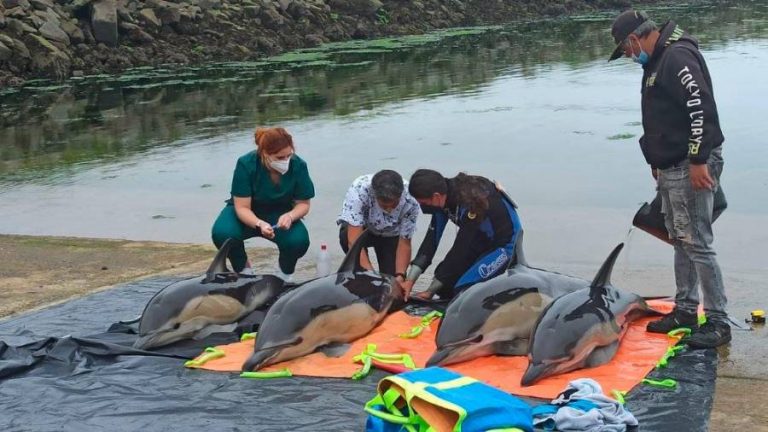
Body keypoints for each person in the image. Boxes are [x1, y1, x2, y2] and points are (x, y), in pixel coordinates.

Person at [608, 10, 730, 348]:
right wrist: (656, 160)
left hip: (691, 163)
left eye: (626, 49)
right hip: (671, 165)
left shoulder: (677, 57)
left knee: (697, 241)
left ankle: (718, 321)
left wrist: (698, 159)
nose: (628, 56)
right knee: (680, 238)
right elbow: (663, 115)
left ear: (634, 39)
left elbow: (700, 107)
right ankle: (686, 309)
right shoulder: (657, 60)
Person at [211, 127, 315, 281]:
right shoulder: (246, 164)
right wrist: (259, 223)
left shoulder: (298, 165)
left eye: (289, 155)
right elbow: (242, 207)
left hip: (279, 213)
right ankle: (243, 269)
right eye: (280, 157)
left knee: (298, 241)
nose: (286, 161)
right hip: (245, 212)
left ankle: (284, 273)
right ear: (265, 154)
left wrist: (290, 216)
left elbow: (304, 204)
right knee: (223, 233)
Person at [401, 169, 522, 301]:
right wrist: (409, 281)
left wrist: (429, 291)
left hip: (504, 245)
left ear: (436, 196)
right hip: (479, 238)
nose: (422, 207)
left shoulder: (470, 203)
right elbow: (430, 242)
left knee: (463, 290)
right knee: (445, 287)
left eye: (423, 203)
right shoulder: (443, 198)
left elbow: (459, 250)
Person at [337, 170, 420, 287]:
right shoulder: (359, 190)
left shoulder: (411, 200)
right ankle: (360, 275)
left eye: (394, 205)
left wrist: (400, 275)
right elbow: (353, 240)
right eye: (384, 206)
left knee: (391, 281)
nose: (389, 210)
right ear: (374, 196)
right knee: (346, 235)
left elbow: (405, 243)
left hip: (391, 234)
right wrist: (370, 275)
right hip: (365, 230)